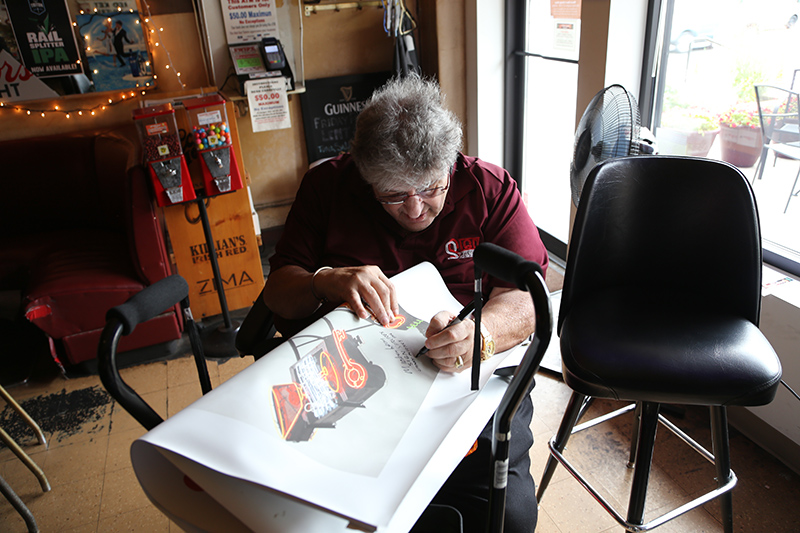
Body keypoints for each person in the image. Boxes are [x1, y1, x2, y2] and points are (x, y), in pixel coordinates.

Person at [263, 75, 548, 532]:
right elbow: (277, 290)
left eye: (431, 189)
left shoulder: (489, 189)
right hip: (353, 387)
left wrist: (483, 335)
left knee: (508, 520)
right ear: (364, 174)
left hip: (467, 390)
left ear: (450, 165)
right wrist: (325, 281)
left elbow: (529, 296)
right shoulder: (327, 188)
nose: (415, 209)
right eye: (394, 194)